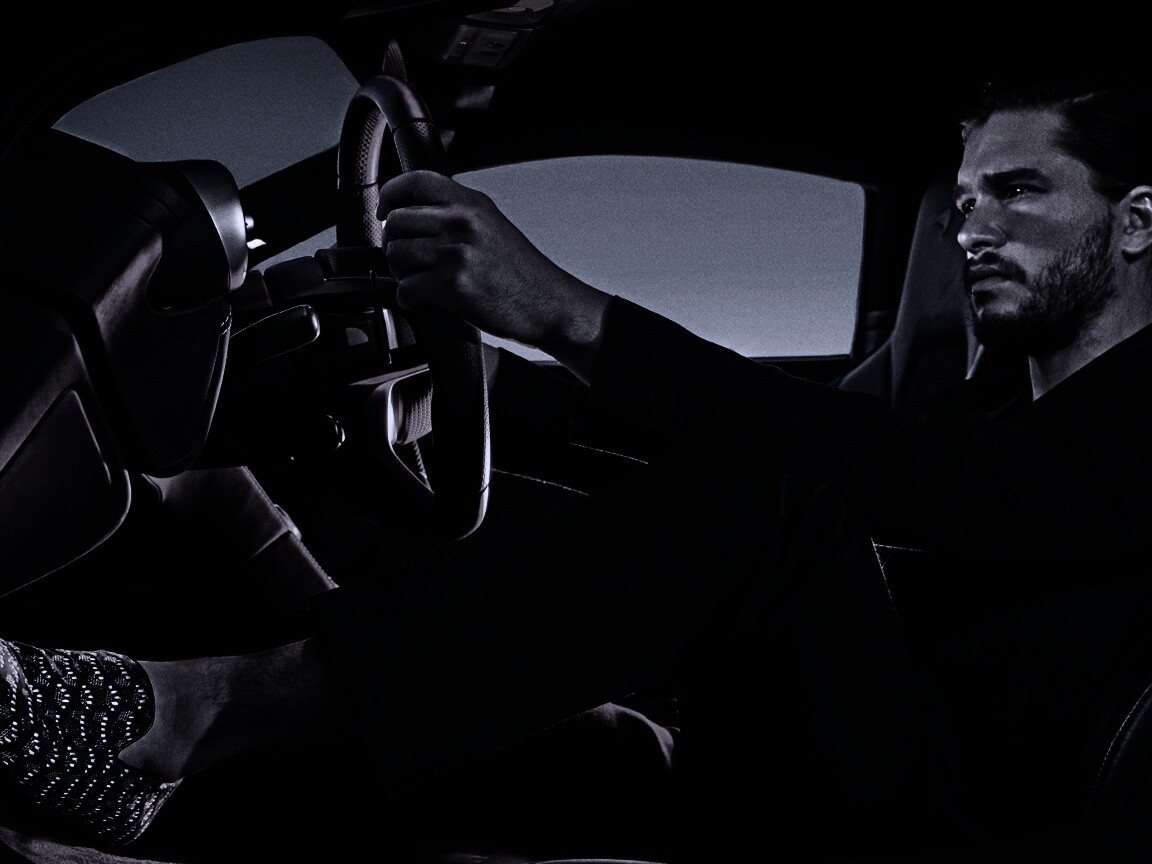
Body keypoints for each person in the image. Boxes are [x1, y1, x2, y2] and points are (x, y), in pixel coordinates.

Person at [6, 74, 1152, 862]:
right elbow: (767, 458)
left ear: (1138, 222)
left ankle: (182, 716)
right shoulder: (989, 407)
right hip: (829, 761)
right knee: (559, 737)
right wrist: (503, 385)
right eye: (963, 202)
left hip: (956, 826)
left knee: (772, 505)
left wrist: (568, 313)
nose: (972, 229)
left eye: (1018, 190)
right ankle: (142, 806)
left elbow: (922, 483)